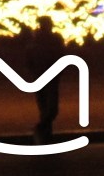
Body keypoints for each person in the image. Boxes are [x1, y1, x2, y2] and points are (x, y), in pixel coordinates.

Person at [25, 17, 66, 145]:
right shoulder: (41, 40)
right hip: (45, 75)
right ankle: (45, 131)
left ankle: (43, 130)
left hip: (45, 75)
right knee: (47, 106)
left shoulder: (40, 40)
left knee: (47, 106)